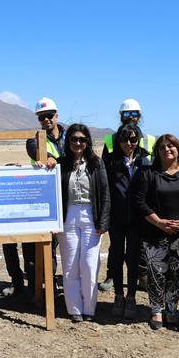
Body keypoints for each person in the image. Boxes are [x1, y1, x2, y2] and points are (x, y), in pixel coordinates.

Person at [132, 134, 179, 330]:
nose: (167, 149)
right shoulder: (147, 173)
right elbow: (139, 201)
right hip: (154, 232)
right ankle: (156, 310)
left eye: (171, 146)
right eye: (162, 147)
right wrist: (159, 223)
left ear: (178, 149)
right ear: (157, 151)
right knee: (156, 272)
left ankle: (171, 309)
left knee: (176, 273)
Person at [2, 97, 65, 301]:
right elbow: (38, 153)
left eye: (48, 116)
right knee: (41, 244)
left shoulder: (71, 136)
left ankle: (53, 281)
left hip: (68, 197)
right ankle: (37, 286)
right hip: (45, 198)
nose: (46, 120)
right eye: (41, 117)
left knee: (55, 245)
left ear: (56, 115)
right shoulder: (35, 140)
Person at [100, 98, 156, 292]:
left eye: (134, 114)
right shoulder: (111, 140)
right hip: (118, 202)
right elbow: (105, 172)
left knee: (139, 244)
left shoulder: (150, 139)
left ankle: (141, 275)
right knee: (116, 246)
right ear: (121, 116)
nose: (131, 117)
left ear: (139, 116)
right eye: (127, 114)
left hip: (141, 202)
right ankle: (111, 276)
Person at [57, 124, 110, 322]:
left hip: (91, 215)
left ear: (87, 142)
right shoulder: (61, 164)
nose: (78, 143)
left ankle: (89, 307)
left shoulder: (96, 163)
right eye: (74, 139)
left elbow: (105, 193)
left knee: (89, 264)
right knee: (70, 265)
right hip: (68, 215)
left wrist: (103, 221)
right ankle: (74, 309)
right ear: (68, 141)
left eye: (81, 139)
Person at [104, 123, 151, 319]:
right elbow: (104, 190)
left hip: (137, 220)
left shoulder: (144, 162)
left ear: (138, 140)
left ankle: (131, 297)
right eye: (124, 140)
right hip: (116, 219)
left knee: (133, 258)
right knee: (116, 256)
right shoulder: (111, 162)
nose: (129, 144)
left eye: (133, 139)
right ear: (118, 141)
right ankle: (118, 295)